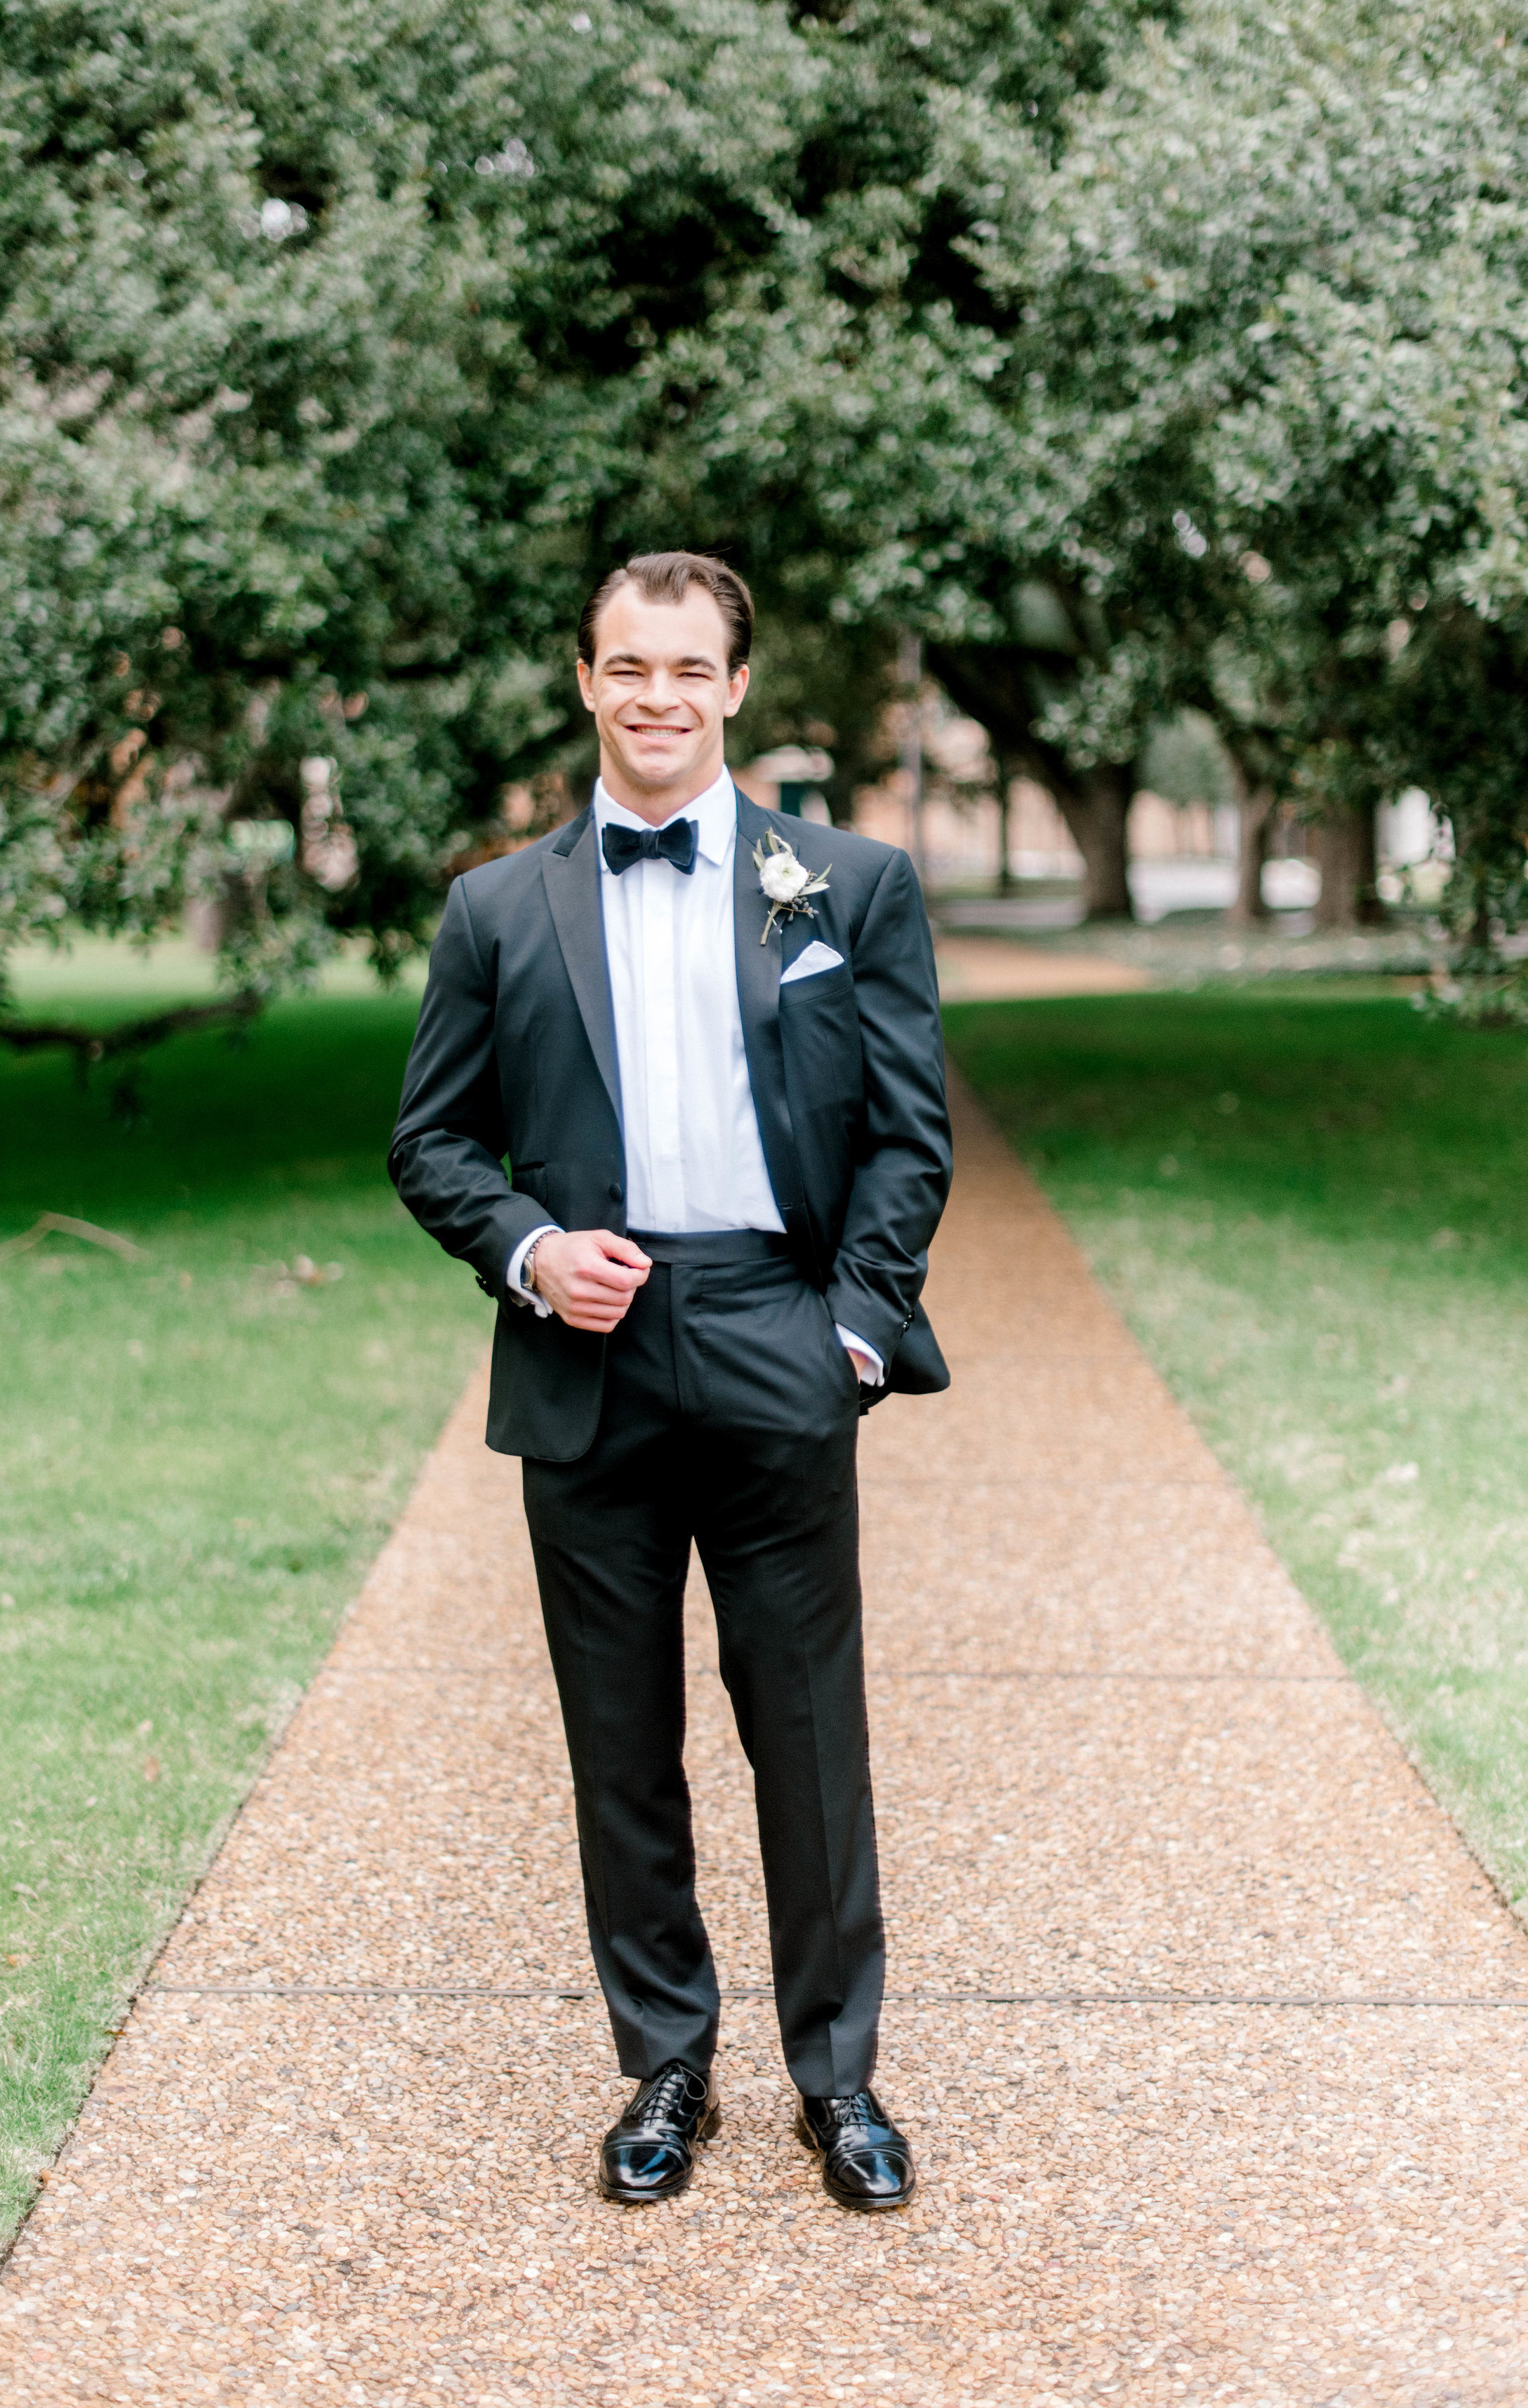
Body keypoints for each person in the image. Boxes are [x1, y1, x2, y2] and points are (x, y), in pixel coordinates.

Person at [390, 551, 952, 2210]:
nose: (656, 696)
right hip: (587, 1352)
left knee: (804, 1729)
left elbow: (909, 1138)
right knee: (616, 1737)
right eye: (625, 666)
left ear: (734, 687)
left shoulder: (845, 885)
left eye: (687, 668)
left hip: (776, 1326)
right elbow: (429, 1142)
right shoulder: (498, 905)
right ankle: (663, 2066)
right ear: (584, 681)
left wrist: (851, 1327)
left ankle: (835, 2079)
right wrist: (527, 1248)